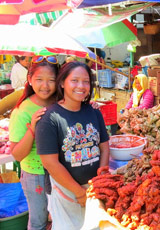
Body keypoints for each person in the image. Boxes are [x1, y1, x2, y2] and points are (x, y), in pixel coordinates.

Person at [35, 62, 109, 230]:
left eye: (86, 81)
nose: (81, 86)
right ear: (62, 83)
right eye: (74, 80)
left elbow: (104, 147)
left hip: (94, 187)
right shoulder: (49, 118)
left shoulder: (94, 111)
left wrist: (101, 181)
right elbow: (50, 163)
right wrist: (78, 192)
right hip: (66, 191)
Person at [9, 55, 59, 230]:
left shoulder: (60, 104)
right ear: (29, 79)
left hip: (60, 172)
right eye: (39, 79)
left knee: (58, 220)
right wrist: (32, 129)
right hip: (35, 175)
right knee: (39, 221)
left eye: (51, 80)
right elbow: (16, 154)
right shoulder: (21, 111)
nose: (45, 86)